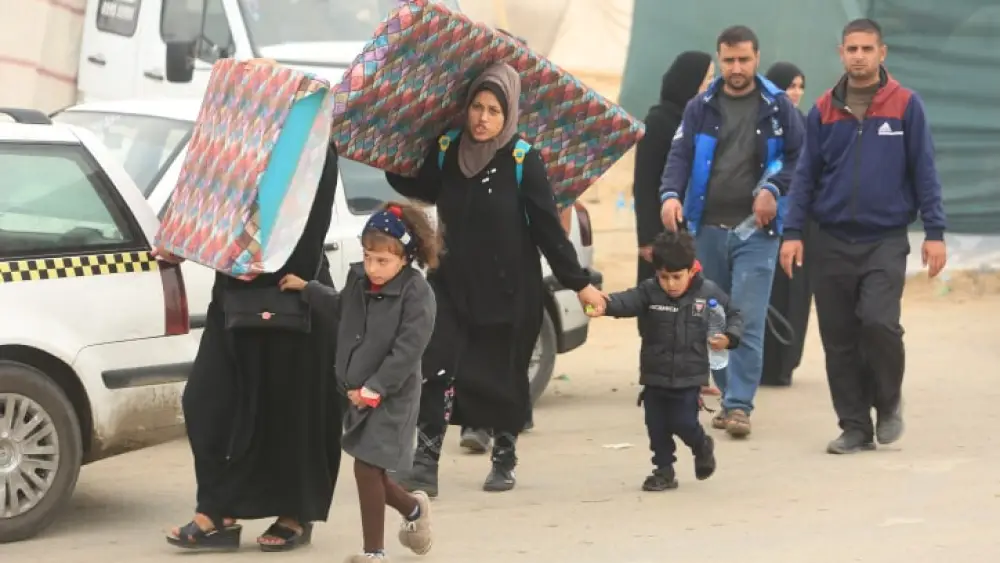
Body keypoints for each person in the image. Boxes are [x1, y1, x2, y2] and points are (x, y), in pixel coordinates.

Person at [386, 62, 606, 495]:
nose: (482, 119)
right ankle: (425, 464)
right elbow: (422, 188)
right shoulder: (449, 149)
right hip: (450, 285)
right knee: (435, 366)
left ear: (510, 116)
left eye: (493, 111)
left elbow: (547, 229)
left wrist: (579, 282)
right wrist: (385, 148)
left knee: (503, 375)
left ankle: (503, 457)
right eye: (476, 107)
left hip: (510, 290)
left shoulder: (524, 160)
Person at [162, 145, 343, 552]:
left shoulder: (314, 143)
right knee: (206, 400)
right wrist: (182, 241)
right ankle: (217, 511)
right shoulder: (236, 135)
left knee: (291, 414)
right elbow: (208, 199)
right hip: (233, 298)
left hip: (291, 292)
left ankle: (295, 512)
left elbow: (309, 224)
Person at [780, 18, 947, 454]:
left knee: (878, 323)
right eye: (851, 49)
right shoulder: (821, 110)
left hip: (885, 238)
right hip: (829, 239)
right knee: (838, 338)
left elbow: (924, 170)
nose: (858, 56)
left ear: (881, 53)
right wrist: (793, 231)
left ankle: (888, 402)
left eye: (866, 49)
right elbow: (805, 178)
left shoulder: (906, 105)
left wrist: (935, 232)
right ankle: (854, 425)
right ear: (841, 54)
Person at [658, 25, 804, 438]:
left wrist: (774, 189)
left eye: (743, 59)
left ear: (756, 58)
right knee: (713, 319)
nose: (735, 68)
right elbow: (680, 155)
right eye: (728, 60)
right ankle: (726, 396)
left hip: (756, 232)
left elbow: (802, 157)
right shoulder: (700, 106)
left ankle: (740, 405)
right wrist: (670, 195)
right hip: (707, 228)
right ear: (719, 59)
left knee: (748, 317)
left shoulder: (778, 107)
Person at [280, 201, 439, 562]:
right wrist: (307, 288)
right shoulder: (358, 280)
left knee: (366, 467)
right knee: (372, 472)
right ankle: (413, 511)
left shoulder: (417, 294)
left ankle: (374, 553)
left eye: (383, 261)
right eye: (368, 256)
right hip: (357, 394)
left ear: (405, 258)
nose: (373, 267)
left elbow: (407, 351)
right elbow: (340, 307)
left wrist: (376, 389)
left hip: (392, 395)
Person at [588, 230, 741, 490]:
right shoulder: (650, 292)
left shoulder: (707, 293)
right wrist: (604, 304)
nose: (670, 284)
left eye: (676, 277)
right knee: (656, 426)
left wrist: (729, 337)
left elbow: (733, 314)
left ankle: (701, 445)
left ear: (691, 270)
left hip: (688, 377)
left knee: (683, 422)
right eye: (664, 277)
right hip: (654, 375)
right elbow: (626, 301)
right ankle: (663, 470)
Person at [761, 61, 812, 388]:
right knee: (768, 295)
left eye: (799, 86)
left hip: (799, 225)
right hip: (764, 225)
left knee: (796, 295)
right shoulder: (763, 125)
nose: (794, 92)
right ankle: (764, 364)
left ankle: (786, 364)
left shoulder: (810, 126)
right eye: (788, 85)